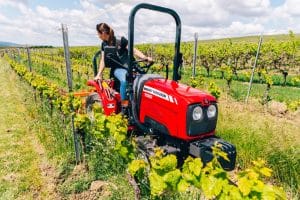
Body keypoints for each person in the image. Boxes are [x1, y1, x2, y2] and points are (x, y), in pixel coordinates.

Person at [94, 23, 152, 105]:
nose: (98, 36)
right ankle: (124, 105)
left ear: (103, 33)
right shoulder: (104, 44)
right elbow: (103, 59)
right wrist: (99, 74)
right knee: (125, 80)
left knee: (145, 80)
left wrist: (145, 57)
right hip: (118, 68)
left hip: (131, 66)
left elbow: (133, 50)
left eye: (98, 33)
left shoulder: (120, 40)